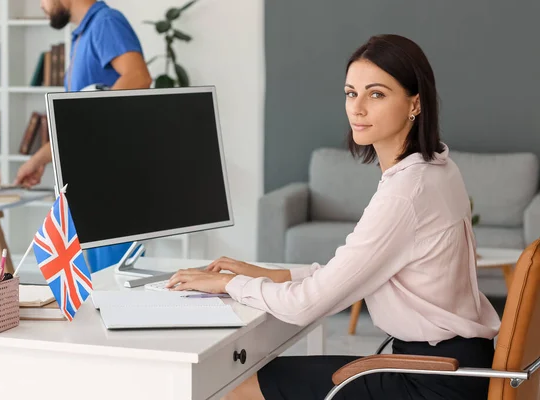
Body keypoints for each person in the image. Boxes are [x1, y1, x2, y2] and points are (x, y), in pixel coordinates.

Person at [167, 34, 502, 400]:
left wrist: (229, 285)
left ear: (414, 103)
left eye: (376, 94)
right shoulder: (438, 167)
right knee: (259, 374)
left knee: (232, 385)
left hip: (431, 379)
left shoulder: (406, 193)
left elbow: (307, 305)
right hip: (457, 365)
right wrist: (265, 274)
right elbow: (351, 272)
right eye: (350, 93)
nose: (357, 108)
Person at [14, 0, 153, 272]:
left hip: (112, 183)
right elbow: (77, 121)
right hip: (93, 183)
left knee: (117, 284)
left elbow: (138, 77)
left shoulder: (106, 23)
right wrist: (40, 159)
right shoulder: (84, 34)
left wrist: (85, 123)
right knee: (101, 285)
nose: (41, 5)